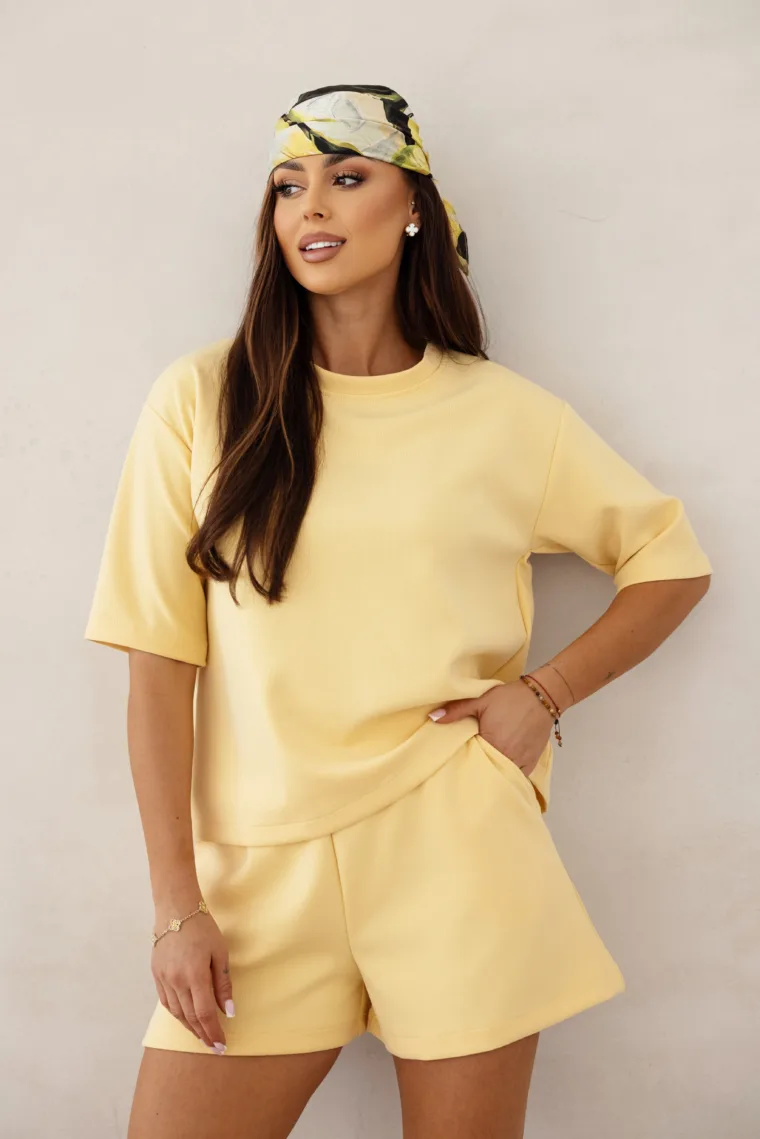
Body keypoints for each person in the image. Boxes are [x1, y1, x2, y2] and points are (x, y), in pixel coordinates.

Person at [84, 83, 713, 1139]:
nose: (311, 206)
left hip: (456, 849)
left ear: (413, 205)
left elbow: (670, 560)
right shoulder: (203, 400)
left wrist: (543, 694)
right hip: (256, 878)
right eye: (288, 185)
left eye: (346, 176)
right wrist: (175, 905)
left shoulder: (502, 415)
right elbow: (158, 666)